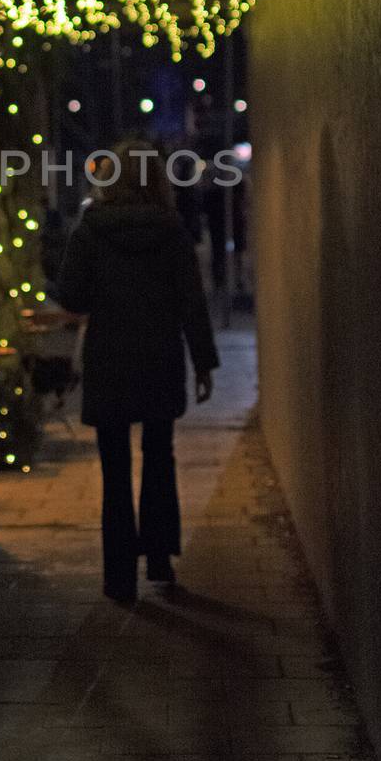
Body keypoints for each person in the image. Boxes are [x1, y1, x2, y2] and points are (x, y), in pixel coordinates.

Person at [56, 139, 219, 602]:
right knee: (158, 455)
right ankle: (160, 558)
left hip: (109, 360)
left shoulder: (90, 230)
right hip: (159, 358)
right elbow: (192, 302)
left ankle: (119, 575)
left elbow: (70, 297)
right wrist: (203, 362)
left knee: (114, 467)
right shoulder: (172, 231)